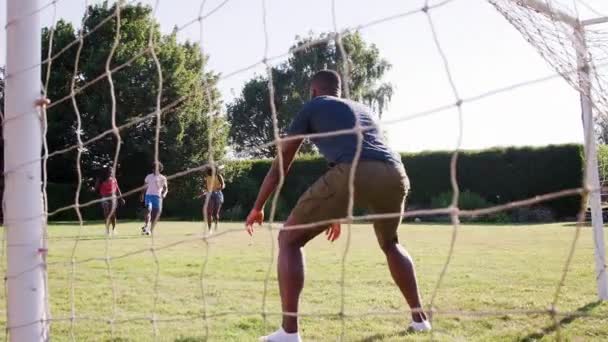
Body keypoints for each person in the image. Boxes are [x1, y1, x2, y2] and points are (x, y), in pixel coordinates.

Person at [245, 70, 430, 341]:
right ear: (339, 91)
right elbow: (359, 155)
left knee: (289, 240)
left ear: (313, 91)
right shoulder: (363, 109)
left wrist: (258, 206)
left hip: (355, 170)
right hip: (395, 172)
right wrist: (336, 212)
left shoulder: (313, 106)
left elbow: (281, 165)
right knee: (391, 244)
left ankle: (289, 332)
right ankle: (420, 320)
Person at [94, 166, 125, 236]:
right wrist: (97, 182)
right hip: (105, 198)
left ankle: (114, 229)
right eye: (110, 171)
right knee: (106, 214)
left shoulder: (114, 179)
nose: (111, 173)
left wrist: (121, 198)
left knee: (113, 215)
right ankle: (107, 230)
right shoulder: (101, 179)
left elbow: (117, 189)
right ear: (106, 172)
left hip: (113, 198)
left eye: (112, 171)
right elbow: (96, 188)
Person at [140, 162, 168, 235]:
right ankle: (146, 225)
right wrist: (142, 194)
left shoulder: (163, 178)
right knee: (148, 209)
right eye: (153, 168)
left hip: (157, 197)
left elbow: (166, 188)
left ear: (160, 169)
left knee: (154, 215)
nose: (154, 170)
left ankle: (150, 230)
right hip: (148, 195)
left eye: (156, 168)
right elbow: (144, 186)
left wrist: (164, 194)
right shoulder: (148, 176)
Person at [200, 166, 225, 233]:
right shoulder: (207, 177)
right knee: (209, 213)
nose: (209, 172)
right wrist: (203, 192)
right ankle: (210, 229)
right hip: (209, 194)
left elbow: (223, 185)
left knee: (216, 214)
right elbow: (205, 186)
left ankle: (216, 225)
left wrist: (219, 189)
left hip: (218, 194)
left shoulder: (218, 176)